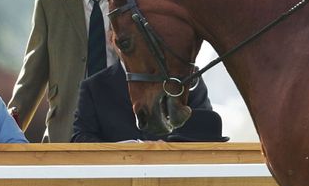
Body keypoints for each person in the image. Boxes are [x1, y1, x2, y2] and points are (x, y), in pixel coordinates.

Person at [9, 0, 119, 142]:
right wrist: (5, 130)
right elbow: (31, 78)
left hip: (124, 128)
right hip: (68, 130)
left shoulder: (135, 1)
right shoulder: (50, 6)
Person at [72, 58, 227, 143]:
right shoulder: (93, 86)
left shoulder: (185, 78)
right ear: (112, 39)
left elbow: (206, 130)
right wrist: (123, 151)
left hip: (176, 181)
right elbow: (81, 137)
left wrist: (166, 149)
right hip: (116, 185)